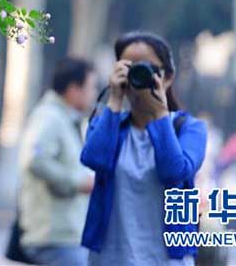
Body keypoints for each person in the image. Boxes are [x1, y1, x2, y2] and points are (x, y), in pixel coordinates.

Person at [81, 31, 207, 266]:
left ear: (167, 77)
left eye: (149, 68)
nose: (140, 74)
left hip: (168, 260)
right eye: (131, 67)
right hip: (109, 259)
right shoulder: (108, 124)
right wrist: (115, 100)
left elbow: (175, 172)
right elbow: (93, 159)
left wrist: (159, 113)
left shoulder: (189, 129)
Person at [17, 57, 97, 266]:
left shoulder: (66, 118)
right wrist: (77, 182)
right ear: (73, 89)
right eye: (91, 87)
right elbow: (35, 159)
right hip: (53, 235)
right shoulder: (50, 117)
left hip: (64, 234)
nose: (93, 94)